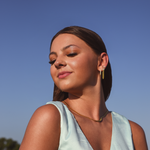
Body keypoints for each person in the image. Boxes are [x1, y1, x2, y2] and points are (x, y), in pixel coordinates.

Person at [19, 26, 148, 150]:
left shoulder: (133, 132)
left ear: (101, 62)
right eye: (52, 60)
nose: (57, 63)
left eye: (71, 53)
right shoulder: (50, 117)